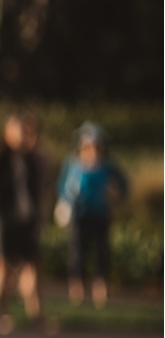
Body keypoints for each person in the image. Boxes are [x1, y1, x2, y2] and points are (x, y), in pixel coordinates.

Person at [56, 122, 128, 308]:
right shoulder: (73, 163)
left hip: (100, 213)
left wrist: (115, 196)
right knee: (77, 251)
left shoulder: (107, 165)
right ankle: (76, 288)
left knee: (101, 251)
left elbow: (124, 185)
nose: (92, 149)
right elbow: (62, 186)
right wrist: (67, 199)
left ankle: (100, 287)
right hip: (79, 214)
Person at [0, 115, 46, 331]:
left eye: (24, 129)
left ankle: (36, 314)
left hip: (26, 218)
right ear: (7, 133)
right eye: (17, 129)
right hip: (2, 218)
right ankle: (2, 313)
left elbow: (37, 190)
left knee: (31, 263)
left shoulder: (30, 159)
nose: (23, 134)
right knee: (1, 264)